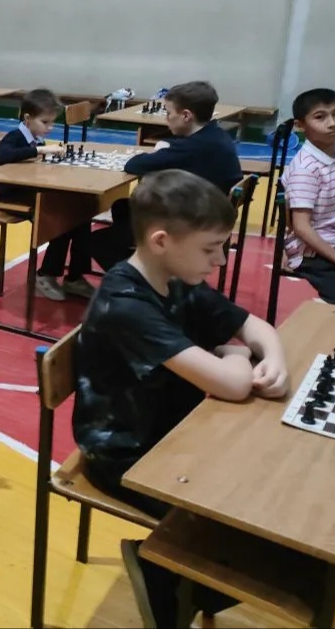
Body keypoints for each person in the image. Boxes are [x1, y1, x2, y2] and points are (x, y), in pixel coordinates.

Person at [72, 169, 287, 627]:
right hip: (126, 455)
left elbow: (256, 327)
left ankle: (179, 579)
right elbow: (232, 384)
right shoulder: (126, 303)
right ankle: (168, 575)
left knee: (274, 491)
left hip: (175, 430)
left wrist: (273, 358)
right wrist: (235, 354)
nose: (222, 260)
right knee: (266, 519)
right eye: (212, 249)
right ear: (161, 241)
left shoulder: (176, 276)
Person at [93, 81, 243, 270]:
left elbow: (133, 165)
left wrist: (162, 148)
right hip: (211, 214)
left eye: (168, 112)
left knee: (97, 242)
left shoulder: (190, 148)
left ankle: (145, 280)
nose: (166, 118)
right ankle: (150, 264)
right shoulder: (217, 135)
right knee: (123, 208)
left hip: (193, 223)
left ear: (186, 116)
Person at [0, 88, 93, 301]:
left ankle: (75, 277)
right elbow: (2, 157)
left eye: (52, 122)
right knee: (63, 218)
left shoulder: (36, 138)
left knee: (82, 212)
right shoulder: (15, 137)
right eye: (45, 122)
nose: (50, 127)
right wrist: (39, 151)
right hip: (14, 196)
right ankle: (45, 275)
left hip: (34, 190)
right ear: (27, 119)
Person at [279, 88, 335, 302]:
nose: (332, 123)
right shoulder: (306, 169)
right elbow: (302, 228)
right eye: (320, 117)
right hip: (314, 252)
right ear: (300, 125)